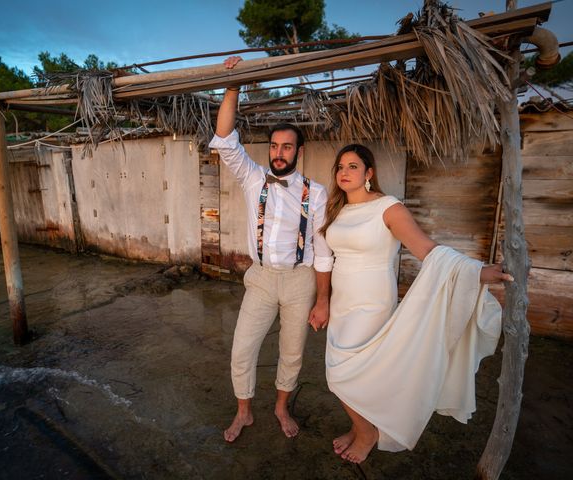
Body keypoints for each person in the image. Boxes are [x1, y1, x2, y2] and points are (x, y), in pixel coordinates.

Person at [320, 144, 512, 463]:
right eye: (340, 166)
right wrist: (323, 300)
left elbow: (427, 250)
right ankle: (361, 425)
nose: (344, 172)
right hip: (343, 301)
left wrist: (479, 271)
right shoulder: (337, 209)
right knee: (357, 371)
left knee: (340, 373)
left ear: (369, 173)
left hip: (371, 302)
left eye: (353, 166)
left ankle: (367, 434)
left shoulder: (388, 207)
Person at [209, 56, 333, 443]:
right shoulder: (252, 178)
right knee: (242, 347)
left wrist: (323, 299)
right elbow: (226, 140)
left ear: (299, 151)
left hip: (300, 281)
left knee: (292, 353)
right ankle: (243, 412)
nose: (279, 152)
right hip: (260, 278)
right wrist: (233, 86)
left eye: (287, 147)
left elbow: (324, 250)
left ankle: (280, 406)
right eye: (275, 146)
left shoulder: (317, 193)